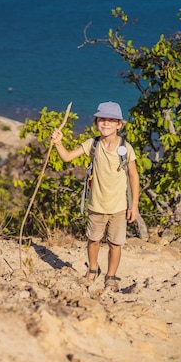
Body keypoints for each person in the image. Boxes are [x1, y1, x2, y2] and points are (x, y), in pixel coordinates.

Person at [51, 101, 140, 292]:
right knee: (93, 240)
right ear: (96, 122)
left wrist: (135, 205)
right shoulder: (92, 144)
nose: (106, 123)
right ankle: (92, 270)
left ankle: (111, 276)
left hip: (118, 206)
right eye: (102, 119)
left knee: (115, 244)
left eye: (111, 120)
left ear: (119, 124)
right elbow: (66, 157)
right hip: (96, 204)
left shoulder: (126, 148)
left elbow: (134, 175)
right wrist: (58, 143)